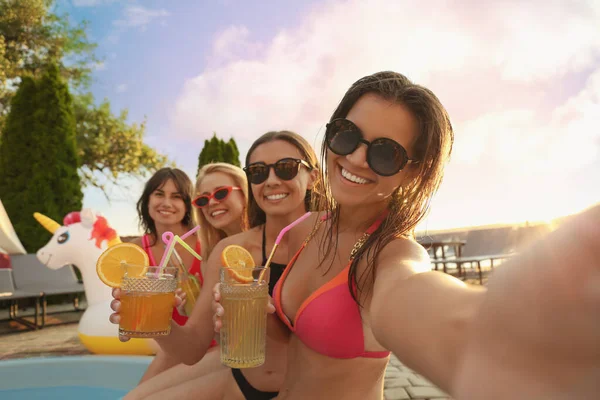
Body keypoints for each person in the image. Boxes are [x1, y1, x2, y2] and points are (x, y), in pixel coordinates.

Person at [212, 71, 600, 399]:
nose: (357, 158)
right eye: (346, 135)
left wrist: (501, 340)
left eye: (386, 153)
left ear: (413, 172)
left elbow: (415, 299)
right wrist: (260, 320)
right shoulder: (311, 226)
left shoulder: (392, 254)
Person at [115, 131, 323, 400]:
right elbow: (192, 349)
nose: (271, 180)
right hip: (243, 380)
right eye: (258, 172)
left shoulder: (335, 240)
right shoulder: (228, 251)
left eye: (286, 168)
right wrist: (154, 318)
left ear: (313, 177)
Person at [132, 164, 248, 383]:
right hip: (180, 343)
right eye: (159, 194)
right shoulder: (136, 252)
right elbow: (136, 320)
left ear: (187, 206)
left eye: (176, 197)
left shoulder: (207, 246)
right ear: (147, 200)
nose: (166, 203)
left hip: (218, 345)